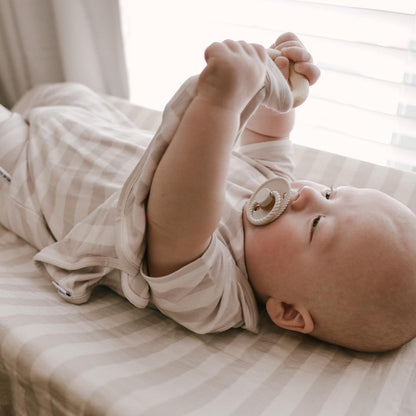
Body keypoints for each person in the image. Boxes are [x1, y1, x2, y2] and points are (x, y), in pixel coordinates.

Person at [1, 33, 416, 353]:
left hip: (28, 172)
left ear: (287, 311)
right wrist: (280, 84)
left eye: (319, 223)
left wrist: (218, 104)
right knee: (63, 90)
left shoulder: (218, 296)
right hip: (90, 125)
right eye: (331, 191)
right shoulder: (271, 187)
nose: (308, 195)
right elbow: (269, 132)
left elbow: (175, 217)